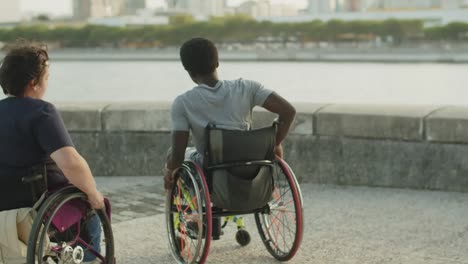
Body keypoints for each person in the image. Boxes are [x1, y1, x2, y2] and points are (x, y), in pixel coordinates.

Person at [0, 41, 103, 263]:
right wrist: (93, 193)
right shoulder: (42, 112)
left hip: (4, 201)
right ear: (33, 82)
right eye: (46, 78)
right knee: (92, 205)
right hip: (38, 202)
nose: (47, 84)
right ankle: (89, 257)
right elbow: (71, 163)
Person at [164, 37, 296, 190]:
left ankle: (181, 204)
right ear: (217, 63)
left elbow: (178, 158)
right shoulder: (247, 88)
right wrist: (273, 145)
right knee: (274, 144)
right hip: (252, 168)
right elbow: (288, 111)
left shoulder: (183, 103)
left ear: (189, 71)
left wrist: (169, 170)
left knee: (172, 155)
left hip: (211, 175)